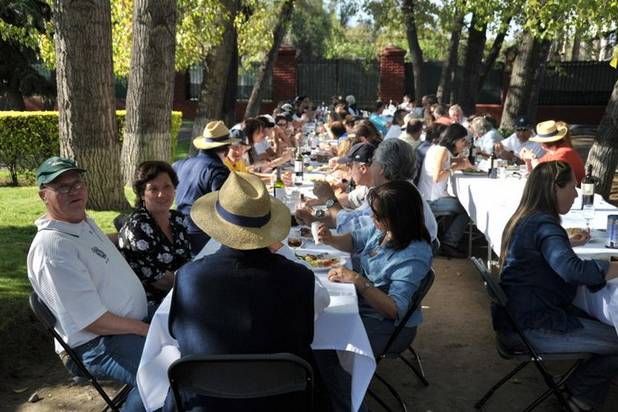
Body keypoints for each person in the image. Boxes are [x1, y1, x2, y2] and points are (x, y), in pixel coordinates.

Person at [166, 171, 333, 411]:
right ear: (268, 229)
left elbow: (175, 336)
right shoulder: (299, 278)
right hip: (283, 403)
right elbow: (317, 312)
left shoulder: (188, 278)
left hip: (206, 403)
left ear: (218, 226)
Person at [494, 161, 618, 411]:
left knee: (604, 324)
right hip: (531, 326)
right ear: (554, 188)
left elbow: (539, 254)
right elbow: (573, 271)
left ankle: (575, 392)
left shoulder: (528, 218)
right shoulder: (544, 224)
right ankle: (577, 399)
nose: (575, 193)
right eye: (572, 187)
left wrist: (565, 243)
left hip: (517, 318)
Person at [27, 157, 149, 412]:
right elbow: (93, 321)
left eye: (78, 182)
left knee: (189, 338)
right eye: (62, 187)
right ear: (43, 195)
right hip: (95, 343)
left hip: (123, 328)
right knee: (163, 376)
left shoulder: (80, 221)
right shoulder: (53, 248)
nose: (74, 190)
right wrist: (143, 329)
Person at [318, 180, 433, 354]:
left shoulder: (413, 257)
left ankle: (336, 378)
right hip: (364, 307)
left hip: (386, 327)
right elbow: (355, 240)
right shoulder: (386, 230)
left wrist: (358, 280)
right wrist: (331, 239)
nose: (372, 219)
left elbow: (395, 309)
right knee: (318, 316)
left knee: (322, 334)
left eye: (377, 215)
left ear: (397, 218)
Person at [296, 140, 438, 247]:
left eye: (373, 162)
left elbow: (351, 228)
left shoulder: (396, 198)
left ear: (381, 168)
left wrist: (329, 199)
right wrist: (313, 219)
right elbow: (355, 217)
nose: (371, 167)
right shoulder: (395, 190)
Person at [118, 161, 191, 305]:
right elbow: (160, 281)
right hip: (153, 304)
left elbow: (186, 262)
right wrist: (198, 287)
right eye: (153, 189)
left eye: (167, 187)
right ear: (142, 194)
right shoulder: (138, 228)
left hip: (181, 293)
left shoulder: (177, 218)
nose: (162, 194)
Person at [174, 120, 238, 255]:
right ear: (227, 149)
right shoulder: (218, 170)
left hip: (178, 231)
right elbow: (226, 208)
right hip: (203, 238)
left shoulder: (180, 164)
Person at [417, 123, 472, 258]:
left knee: (462, 204)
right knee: (468, 208)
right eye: (462, 140)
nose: (464, 143)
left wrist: (456, 160)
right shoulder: (442, 151)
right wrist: (455, 167)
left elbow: (442, 163)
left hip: (429, 197)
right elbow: (437, 176)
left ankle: (445, 238)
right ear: (454, 139)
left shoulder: (437, 148)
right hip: (431, 200)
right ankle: (449, 243)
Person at [521, 120, 586, 184]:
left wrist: (534, 160)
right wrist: (528, 161)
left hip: (572, 192)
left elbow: (547, 177)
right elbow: (534, 175)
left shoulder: (564, 152)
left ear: (543, 143)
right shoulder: (553, 152)